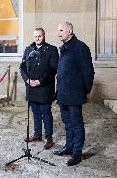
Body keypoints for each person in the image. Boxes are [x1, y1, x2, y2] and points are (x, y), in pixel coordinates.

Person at [54, 22, 94, 166]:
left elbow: (88, 72)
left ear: (70, 31)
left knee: (77, 124)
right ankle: (69, 147)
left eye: (61, 30)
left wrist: (85, 91)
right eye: (58, 30)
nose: (58, 33)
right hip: (63, 94)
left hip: (75, 94)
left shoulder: (80, 47)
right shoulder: (64, 48)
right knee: (68, 123)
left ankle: (77, 153)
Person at [20, 28, 59, 150]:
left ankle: (49, 138)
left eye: (39, 36)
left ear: (44, 36)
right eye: (35, 36)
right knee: (35, 112)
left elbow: (53, 70)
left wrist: (40, 81)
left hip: (44, 88)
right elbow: (22, 67)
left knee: (46, 113)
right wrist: (27, 79)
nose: (37, 38)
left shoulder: (51, 50)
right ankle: (37, 134)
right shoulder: (28, 49)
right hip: (31, 87)